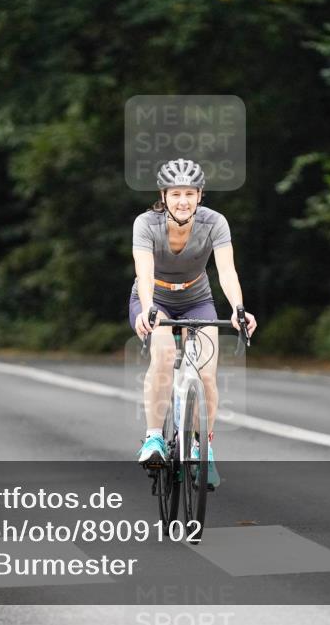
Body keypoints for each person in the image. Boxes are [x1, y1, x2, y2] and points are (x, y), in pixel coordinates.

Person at [130, 158, 257, 487]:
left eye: (189, 193)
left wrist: (238, 308)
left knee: (207, 373)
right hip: (154, 300)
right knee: (163, 357)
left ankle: (204, 450)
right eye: (175, 194)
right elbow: (143, 273)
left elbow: (226, 271)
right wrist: (148, 310)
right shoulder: (146, 224)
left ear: (200, 195)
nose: (183, 200)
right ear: (164, 196)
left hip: (197, 299)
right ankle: (154, 438)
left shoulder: (215, 222)